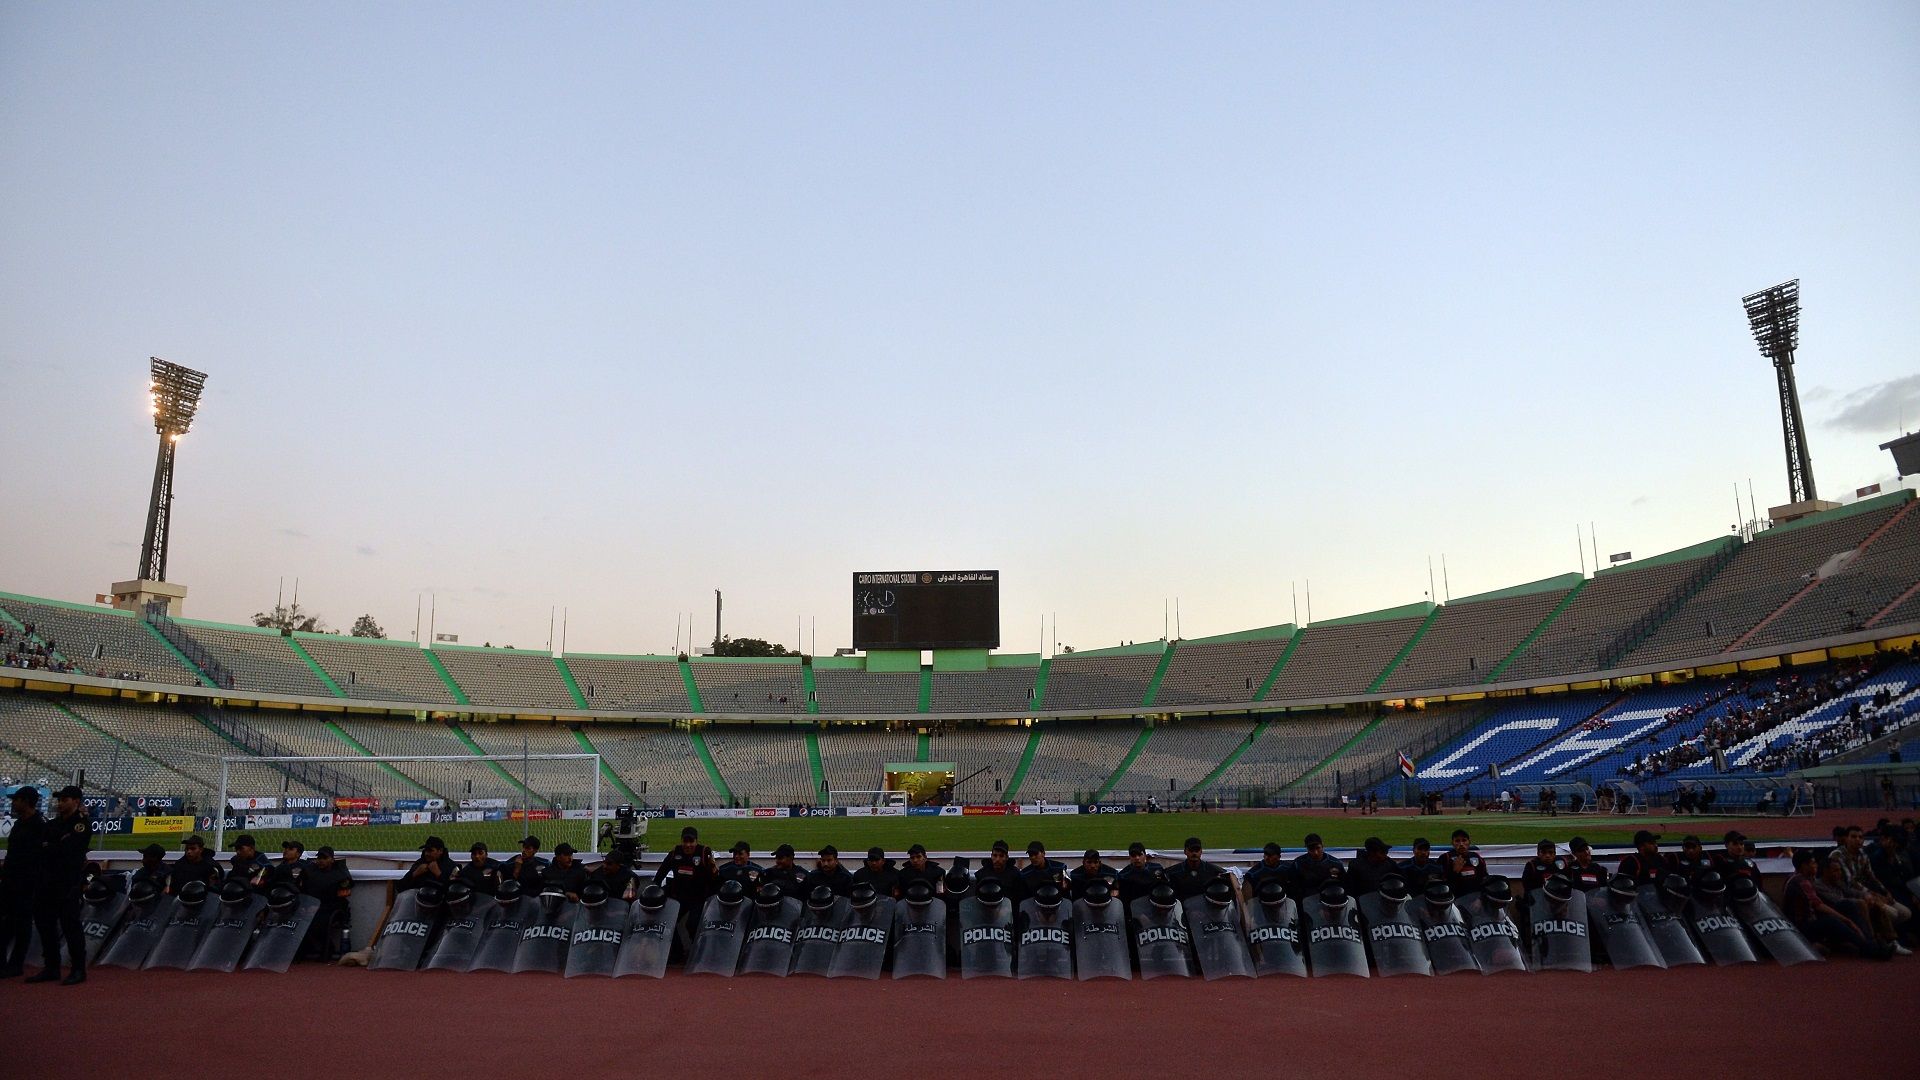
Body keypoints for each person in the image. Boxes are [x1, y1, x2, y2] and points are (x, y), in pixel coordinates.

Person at [26, 785, 90, 984]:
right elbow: (41, 848)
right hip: (47, 881)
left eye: (64, 799)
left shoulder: (80, 824)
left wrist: (51, 847)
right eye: (59, 799)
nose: (60, 803)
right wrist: (53, 846)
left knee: (71, 926)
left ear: (76, 801)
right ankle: (51, 967)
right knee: (46, 925)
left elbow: (68, 850)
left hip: (68, 883)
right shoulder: (54, 824)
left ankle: (78, 969)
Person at [1784, 850, 1886, 959]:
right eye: (1813, 863)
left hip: (1811, 919)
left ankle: (1869, 941)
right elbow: (1818, 905)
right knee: (1832, 921)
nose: (1816, 866)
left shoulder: (1805, 879)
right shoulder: (1801, 881)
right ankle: (1868, 947)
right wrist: (1847, 920)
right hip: (1802, 926)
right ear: (1804, 865)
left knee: (1847, 905)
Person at [1833, 825, 1912, 950]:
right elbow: (1849, 881)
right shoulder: (1838, 855)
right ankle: (1888, 940)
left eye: (1860, 837)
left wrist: (1884, 892)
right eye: (1853, 837)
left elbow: (1871, 876)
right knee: (1892, 913)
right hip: (1848, 893)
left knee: (1905, 913)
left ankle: (1882, 936)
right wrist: (1870, 893)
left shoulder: (1863, 854)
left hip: (1866, 891)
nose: (1857, 840)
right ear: (1846, 838)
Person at [1, 786, 45, 977]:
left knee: (22, 925)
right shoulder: (20, 823)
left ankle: (16, 964)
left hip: (26, 882)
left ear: (26, 801)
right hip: (10, 880)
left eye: (16, 799)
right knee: (6, 923)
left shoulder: (38, 825)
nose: (13, 803)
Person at [301, 846, 353, 962]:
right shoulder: (310, 871)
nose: (321, 861)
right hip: (311, 905)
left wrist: (318, 907)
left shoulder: (340, 874)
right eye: (319, 858)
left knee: (319, 920)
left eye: (324, 858)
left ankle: (328, 949)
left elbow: (341, 898)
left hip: (331, 907)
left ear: (332, 859)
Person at [1291, 834, 1343, 898]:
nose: (1315, 852)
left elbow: (1344, 884)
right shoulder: (1298, 864)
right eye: (1311, 849)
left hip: (1330, 899)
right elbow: (1294, 887)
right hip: (1307, 900)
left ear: (1322, 846)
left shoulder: (1336, 864)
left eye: (1318, 848)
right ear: (1307, 849)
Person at [1440, 829, 1486, 896]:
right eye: (1457, 841)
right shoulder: (1445, 858)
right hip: (1455, 898)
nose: (1461, 844)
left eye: (1464, 840)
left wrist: (1480, 897)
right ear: (1452, 843)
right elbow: (1441, 884)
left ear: (1469, 842)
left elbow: (1484, 879)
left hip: (1476, 898)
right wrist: (1454, 872)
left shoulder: (1476, 857)